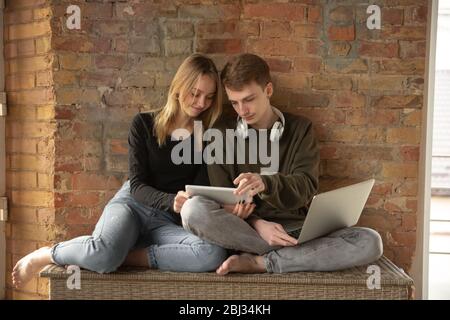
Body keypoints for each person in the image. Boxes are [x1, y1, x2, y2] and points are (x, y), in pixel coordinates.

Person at [12, 53, 227, 288]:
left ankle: (121, 254)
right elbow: (137, 186)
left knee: (212, 253)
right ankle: (47, 254)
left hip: (168, 222)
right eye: (195, 93)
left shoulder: (207, 136)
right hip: (132, 206)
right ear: (178, 86)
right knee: (104, 254)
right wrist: (171, 200)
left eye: (209, 97)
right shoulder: (144, 124)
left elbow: (199, 187)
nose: (201, 103)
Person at [181, 53, 383, 275]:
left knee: (370, 241)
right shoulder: (219, 133)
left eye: (249, 99)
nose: (242, 110)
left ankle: (262, 262)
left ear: (268, 90)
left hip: (297, 230)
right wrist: (259, 224)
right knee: (193, 210)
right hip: (248, 231)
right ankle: (294, 257)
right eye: (235, 103)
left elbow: (306, 187)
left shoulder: (300, 129)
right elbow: (222, 200)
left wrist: (266, 183)